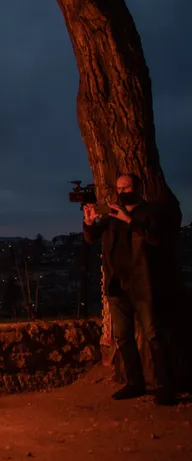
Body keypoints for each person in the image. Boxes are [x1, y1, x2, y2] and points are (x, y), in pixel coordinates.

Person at [83, 173, 176, 406]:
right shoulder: (112, 215)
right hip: (117, 284)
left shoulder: (150, 213)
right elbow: (91, 237)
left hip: (143, 283)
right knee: (123, 337)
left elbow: (156, 240)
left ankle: (165, 387)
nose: (122, 192)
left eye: (127, 187)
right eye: (119, 188)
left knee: (153, 334)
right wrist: (89, 221)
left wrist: (129, 220)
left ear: (138, 187)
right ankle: (135, 383)